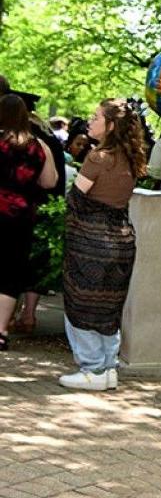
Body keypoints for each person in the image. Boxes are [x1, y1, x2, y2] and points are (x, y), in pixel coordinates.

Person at [60, 98, 145, 389]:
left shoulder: (98, 158)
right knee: (109, 306)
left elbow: (76, 198)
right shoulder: (132, 158)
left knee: (82, 302)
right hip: (122, 240)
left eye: (96, 117)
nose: (90, 120)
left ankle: (92, 369)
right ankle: (109, 368)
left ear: (111, 125)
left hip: (91, 242)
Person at [0, 94, 59, 351]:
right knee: (11, 273)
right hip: (19, 217)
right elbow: (50, 182)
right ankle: (0, 330)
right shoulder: (39, 146)